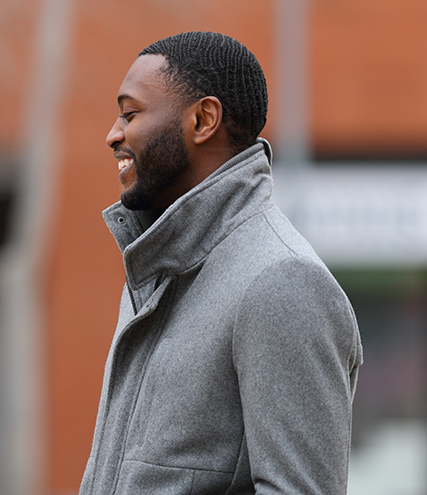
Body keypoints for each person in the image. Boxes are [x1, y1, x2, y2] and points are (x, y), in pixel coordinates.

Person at [80, 31, 363, 494]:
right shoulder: (158, 272)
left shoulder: (282, 281)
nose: (113, 134)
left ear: (203, 120)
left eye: (130, 114)